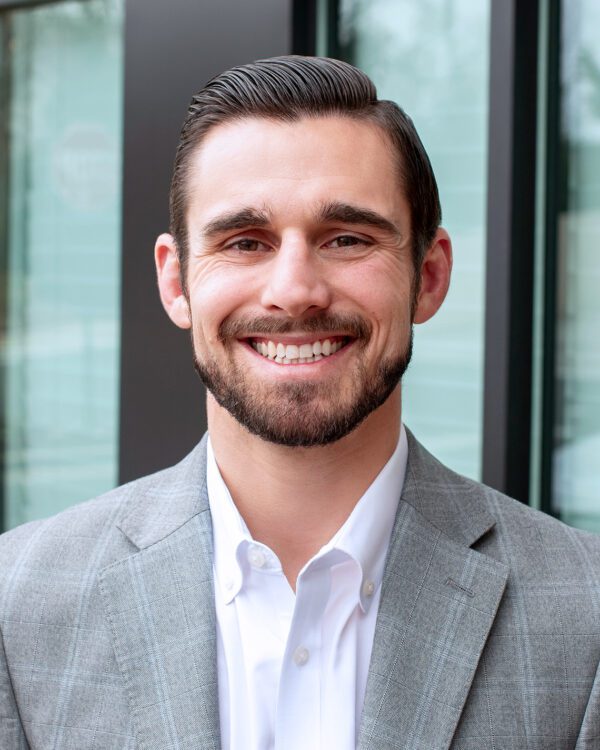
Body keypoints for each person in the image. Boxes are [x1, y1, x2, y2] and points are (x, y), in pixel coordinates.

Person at [1, 55, 599, 750]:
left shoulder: (584, 613)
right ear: (176, 282)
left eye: (347, 239)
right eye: (244, 242)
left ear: (429, 276)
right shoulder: (18, 602)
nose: (294, 289)